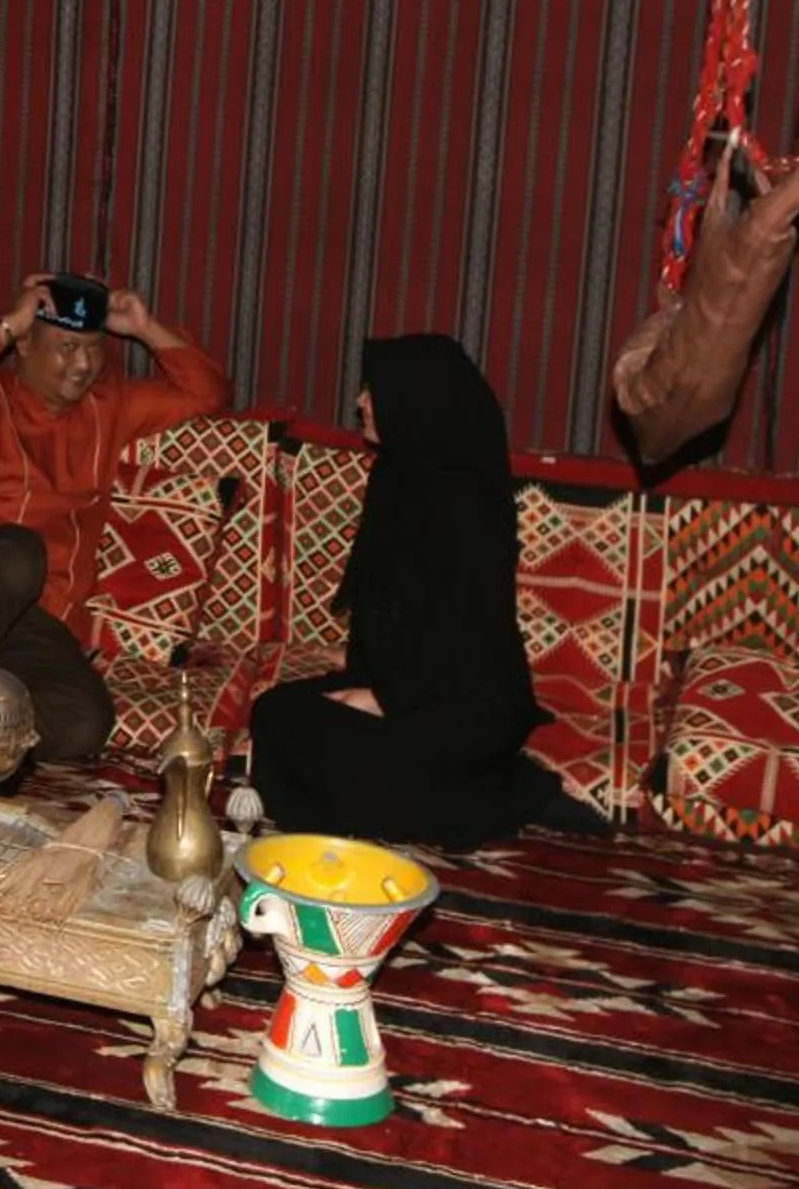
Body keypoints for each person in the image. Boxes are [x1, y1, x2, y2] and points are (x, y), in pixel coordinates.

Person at [246, 333, 594, 850]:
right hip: (407, 681)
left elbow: (461, 635)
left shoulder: (467, 506)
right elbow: (391, 605)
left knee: (349, 763)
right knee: (277, 711)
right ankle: (440, 786)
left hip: (467, 700)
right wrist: (363, 668)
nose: (361, 401)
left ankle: (512, 791)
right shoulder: (398, 475)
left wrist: (386, 697)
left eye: (374, 390)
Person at [0, 273, 230, 761]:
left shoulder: (109, 407)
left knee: (82, 726)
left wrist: (145, 328)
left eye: (93, 347)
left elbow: (207, 392)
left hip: (25, 622)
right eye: (65, 347)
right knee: (18, 553)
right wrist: (6, 324)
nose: (83, 364)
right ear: (24, 346)